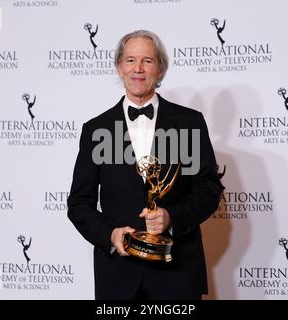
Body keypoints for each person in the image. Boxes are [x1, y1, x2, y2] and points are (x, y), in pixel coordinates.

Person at [67, 30, 223, 300]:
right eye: (130, 60)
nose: (138, 69)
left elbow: (209, 189)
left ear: (160, 70)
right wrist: (112, 236)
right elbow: (79, 203)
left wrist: (172, 217)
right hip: (118, 278)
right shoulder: (96, 130)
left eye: (147, 61)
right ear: (119, 67)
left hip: (177, 274)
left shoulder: (189, 122)